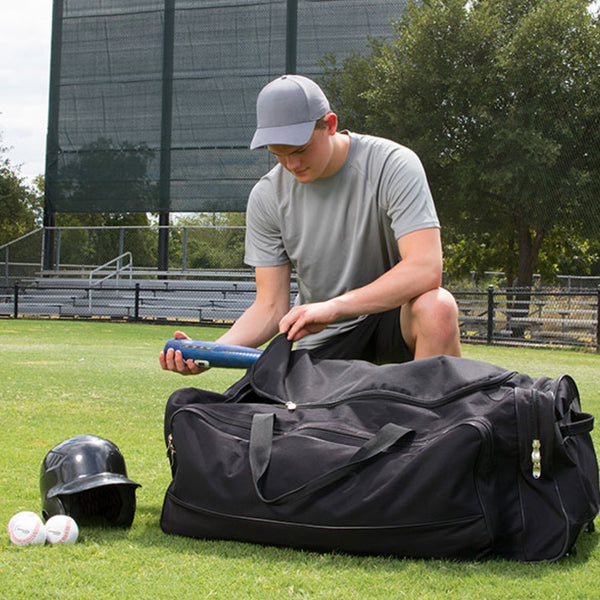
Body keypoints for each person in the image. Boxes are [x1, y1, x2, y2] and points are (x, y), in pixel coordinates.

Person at [160, 74, 461, 375]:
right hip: (321, 339)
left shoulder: (393, 164)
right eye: (278, 154)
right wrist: (213, 352)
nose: (292, 165)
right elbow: (270, 307)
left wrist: (334, 307)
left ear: (330, 124)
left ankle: (432, 418)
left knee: (438, 308)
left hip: (390, 321)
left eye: (300, 150)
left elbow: (425, 268)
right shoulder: (267, 197)